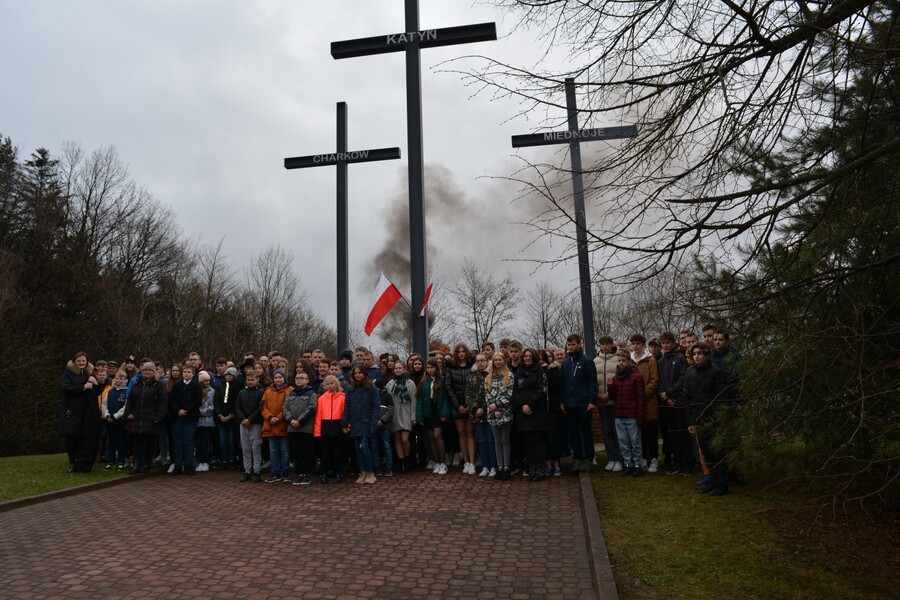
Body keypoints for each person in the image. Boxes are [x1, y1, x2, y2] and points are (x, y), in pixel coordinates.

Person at [684, 342, 731, 496]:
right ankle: (712, 481)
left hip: (713, 419)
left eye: (700, 353)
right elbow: (688, 399)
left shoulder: (716, 372)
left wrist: (718, 420)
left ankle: (722, 484)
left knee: (718, 452)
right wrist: (690, 422)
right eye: (694, 354)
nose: (697, 356)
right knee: (706, 452)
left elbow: (721, 399)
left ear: (707, 354)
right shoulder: (689, 372)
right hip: (698, 419)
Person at [561, 334, 599, 473]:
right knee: (573, 432)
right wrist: (563, 401)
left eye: (573, 344)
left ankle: (588, 457)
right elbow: (563, 384)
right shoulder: (565, 363)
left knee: (585, 431)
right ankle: (577, 458)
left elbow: (592, 382)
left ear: (579, 344)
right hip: (569, 405)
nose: (570, 347)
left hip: (583, 404)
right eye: (569, 345)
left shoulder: (586, 361)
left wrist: (591, 400)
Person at [59, 351, 102, 473]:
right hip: (72, 411)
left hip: (87, 411)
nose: (81, 363)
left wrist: (96, 384)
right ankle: (72, 462)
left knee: (85, 438)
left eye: (83, 361)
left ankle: (81, 462)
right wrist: (83, 387)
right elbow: (65, 389)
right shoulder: (68, 374)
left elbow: (97, 393)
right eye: (79, 361)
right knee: (72, 437)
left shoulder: (90, 373)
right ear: (74, 362)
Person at [124, 361, 167, 474]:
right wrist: (128, 412)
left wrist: (158, 416)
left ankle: (147, 463)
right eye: (145, 370)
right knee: (137, 442)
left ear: (153, 372)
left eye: (149, 370)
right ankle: (137, 463)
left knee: (150, 442)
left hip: (151, 418)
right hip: (137, 417)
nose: (147, 372)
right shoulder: (136, 383)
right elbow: (130, 399)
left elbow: (163, 402)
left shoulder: (159, 385)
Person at [513, 348, 550, 481]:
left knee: (538, 442)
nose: (527, 358)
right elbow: (515, 392)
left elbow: (542, 390)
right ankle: (532, 468)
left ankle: (541, 469)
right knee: (528, 443)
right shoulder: (519, 372)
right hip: (523, 413)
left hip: (537, 412)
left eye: (530, 356)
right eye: (525, 356)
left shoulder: (540, 372)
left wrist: (530, 405)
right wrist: (523, 405)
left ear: (534, 357)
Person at [657, 331, 691, 475]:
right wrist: (665, 397)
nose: (665, 345)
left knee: (682, 434)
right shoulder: (660, 361)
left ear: (673, 343)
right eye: (663, 343)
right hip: (666, 403)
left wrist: (670, 393)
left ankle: (687, 464)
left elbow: (684, 378)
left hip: (679, 401)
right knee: (671, 435)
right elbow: (658, 381)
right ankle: (676, 462)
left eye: (667, 343)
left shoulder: (680, 358)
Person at [607, 351, 646, 476]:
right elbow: (613, 397)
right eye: (619, 361)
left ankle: (638, 465)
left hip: (632, 415)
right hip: (619, 415)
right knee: (623, 442)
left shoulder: (636, 376)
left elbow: (641, 398)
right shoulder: (615, 378)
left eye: (623, 360)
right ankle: (628, 464)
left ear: (629, 361)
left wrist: (640, 416)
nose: (621, 363)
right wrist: (610, 386)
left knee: (635, 443)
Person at [342, 367, 381, 484]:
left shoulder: (371, 388)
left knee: (364, 447)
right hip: (354, 423)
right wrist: (344, 423)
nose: (358, 375)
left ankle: (370, 472)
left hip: (366, 422)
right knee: (357, 449)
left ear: (365, 374)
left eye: (360, 373)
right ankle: (362, 471)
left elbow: (376, 407)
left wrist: (373, 424)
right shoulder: (350, 389)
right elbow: (347, 407)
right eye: (356, 373)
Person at [444, 343, 477, 474]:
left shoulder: (472, 367)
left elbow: (475, 387)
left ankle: (472, 462)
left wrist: (470, 404)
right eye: (459, 351)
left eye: (464, 351)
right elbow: (448, 387)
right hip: (457, 406)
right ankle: (466, 461)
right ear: (456, 353)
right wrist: (458, 405)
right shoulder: (451, 368)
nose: (461, 353)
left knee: (470, 433)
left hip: (471, 406)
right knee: (461, 434)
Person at [630, 334, 660, 472]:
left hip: (648, 401)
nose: (635, 346)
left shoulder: (650, 360)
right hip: (634, 402)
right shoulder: (629, 360)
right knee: (639, 432)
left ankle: (654, 458)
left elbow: (654, 381)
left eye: (638, 343)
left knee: (651, 431)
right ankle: (643, 458)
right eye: (633, 343)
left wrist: (642, 394)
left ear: (643, 344)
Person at [415, 358, 450, 475]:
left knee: (437, 436)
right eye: (428, 368)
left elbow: (446, 398)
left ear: (436, 368)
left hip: (438, 411)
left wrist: (445, 413)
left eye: (432, 367)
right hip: (427, 412)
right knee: (430, 437)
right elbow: (419, 400)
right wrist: (419, 416)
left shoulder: (443, 380)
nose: (430, 370)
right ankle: (437, 462)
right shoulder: (423, 381)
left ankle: (443, 462)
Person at [284, 371, 317, 485]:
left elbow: (311, 409)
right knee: (296, 452)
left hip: (306, 428)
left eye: (302, 378)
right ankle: (300, 474)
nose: (299, 380)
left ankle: (307, 474)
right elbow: (285, 408)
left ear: (307, 380)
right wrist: (291, 420)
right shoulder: (291, 393)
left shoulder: (311, 393)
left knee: (307, 452)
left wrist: (300, 421)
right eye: (297, 378)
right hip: (293, 428)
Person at [594, 336, 622, 472]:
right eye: (602, 344)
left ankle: (619, 458)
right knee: (606, 431)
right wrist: (598, 395)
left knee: (617, 431)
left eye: (607, 344)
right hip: (602, 403)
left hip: (615, 401)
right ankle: (611, 458)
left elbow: (621, 381)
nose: (604, 346)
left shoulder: (618, 359)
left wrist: (610, 394)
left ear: (611, 344)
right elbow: (593, 382)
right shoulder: (595, 361)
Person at [486, 352, 515, 480]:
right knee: (497, 442)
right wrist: (493, 408)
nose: (497, 362)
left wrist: (497, 406)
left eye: (500, 359)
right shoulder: (488, 377)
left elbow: (509, 394)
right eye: (495, 360)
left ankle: (507, 467)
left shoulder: (509, 375)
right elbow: (487, 394)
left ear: (504, 361)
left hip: (505, 412)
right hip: (492, 413)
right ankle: (500, 467)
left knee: (505, 441)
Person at [168, 364, 202, 475]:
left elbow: (197, 402)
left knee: (189, 442)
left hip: (190, 418)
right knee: (178, 442)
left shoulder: (196, 386)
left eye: (188, 372)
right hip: (177, 417)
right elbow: (171, 400)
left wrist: (186, 410)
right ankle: (178, 466)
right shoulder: (177, 386)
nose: (186, 374)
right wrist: (178, 410)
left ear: (193, 374)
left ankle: (188, 465)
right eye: (185, 372)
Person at [466, 353, 496, 477]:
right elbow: (468, 395)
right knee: (481, 441)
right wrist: (475, 408)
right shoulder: (470, 377)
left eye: (482, 360)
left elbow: (492, 393)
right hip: (476, 415)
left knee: (491, 440)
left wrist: (483, 408)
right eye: (477, 361)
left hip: (489, 413)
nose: (480, 363)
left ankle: (493, 466)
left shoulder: (491, 375)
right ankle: (485, 466)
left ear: (487, 361)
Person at [262, 369, 292, 483]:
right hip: (270, 425)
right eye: (276, 377)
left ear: (284, 378)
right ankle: (275, 472)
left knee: (285, 450)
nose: (278, 379)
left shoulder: (290, 390)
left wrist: (278, 418)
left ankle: (285, 472)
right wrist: (270, 417)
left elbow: (288, 407)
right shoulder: (267, 391)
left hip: (283, 425)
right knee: (273, 451)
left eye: (280, 377)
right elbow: (263, 407)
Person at [315, 375, 347, 484]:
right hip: (325, 426)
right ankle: (324, 473)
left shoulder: (343, 397)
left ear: (337, 384)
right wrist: (317, 431)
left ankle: (339, 472)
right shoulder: (321, 399)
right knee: (325, 453)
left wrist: (347, 426)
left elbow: (345, 414)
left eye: (331, 383)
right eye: (327, 384)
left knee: (337, 452)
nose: (329, 386)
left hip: (337, 426)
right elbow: (318, 416)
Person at [387, 361, 417, 474]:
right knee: (397, 439)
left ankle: (408, 458)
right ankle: (402, 461)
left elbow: (414, 401)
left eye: (400, 368)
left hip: (406, 413)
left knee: (405, 439)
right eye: (396, 368)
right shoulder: (390, 384)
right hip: (394, 414)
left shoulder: (410, 383)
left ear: (404, 369)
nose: (398, 370)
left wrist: (413, 416)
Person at [236, 371, 265, 482]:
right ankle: (247, 470)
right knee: (245, 448)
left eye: (252, 380)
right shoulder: (242, 392)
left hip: (255, 423)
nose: (250, 382)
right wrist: (243, 419)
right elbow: (237, 407)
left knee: (256, 448)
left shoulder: (261, 392)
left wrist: (250, 419)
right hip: (243, 423)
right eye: (248, 380)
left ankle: (257, 470)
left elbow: (260, 408)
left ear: (257, 380)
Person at [213, 366, 241, 470]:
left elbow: (237, 402)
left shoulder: (236, 387)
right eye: (227, 375)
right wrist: (220, 414)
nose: (228, 377)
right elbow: (216, 401)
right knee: (222, 439)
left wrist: (231, 414)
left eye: (231, 375)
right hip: (221, 418)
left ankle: (232, 459)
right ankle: (223, 459)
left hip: (232, 418)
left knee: (231, 439)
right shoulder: (220, 386)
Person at [101, 370, 129, 471]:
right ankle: (111, 461)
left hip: (120, 421)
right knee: (111, 442)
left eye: (121, 378)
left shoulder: (126, 392)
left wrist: (115, 416)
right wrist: (107, 415)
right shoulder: (110, 391)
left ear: (125, 380)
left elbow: (125, 407)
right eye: (117, 378)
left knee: (121, 441)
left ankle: (121, 461)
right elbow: (104, 405)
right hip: (109, 421)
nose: (118, 380)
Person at [195, 371, 215, 472]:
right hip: (198, 422)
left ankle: (206, 461)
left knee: (205, 443)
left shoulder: (212, 391)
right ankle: (201, 461)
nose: (207, 382)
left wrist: (203, 412)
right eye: (205, 381)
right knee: (199, 443)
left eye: (208, 380)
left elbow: (212, 406)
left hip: (207, 422)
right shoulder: (197, 391)